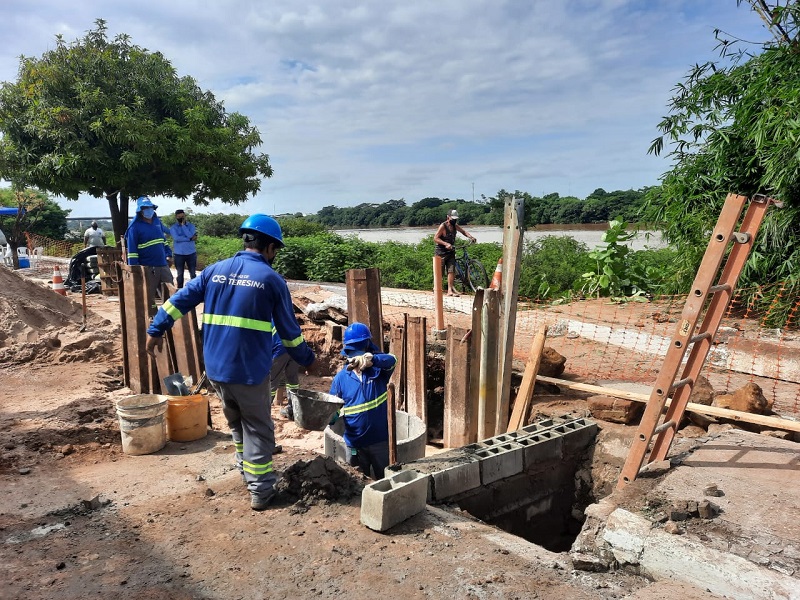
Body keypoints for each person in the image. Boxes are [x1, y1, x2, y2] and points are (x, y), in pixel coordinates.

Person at [146, 214, 315, 511]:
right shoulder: (272, 280)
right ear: (271, 247)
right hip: (249, 371)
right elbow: (289, 334)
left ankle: (245, 472)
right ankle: (261, 490)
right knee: (259, 428)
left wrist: (156, 328)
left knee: (236, 424)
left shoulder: (215, 271)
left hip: (217, 370)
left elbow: (178, 301)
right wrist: (307, 358)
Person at [329, 322, 396, 479]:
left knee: (385, 482)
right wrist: (327, 418)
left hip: (380, 442)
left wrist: (373, 359)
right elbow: (331, 409)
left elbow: (392, 360)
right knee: (357, 483)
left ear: (366, 346)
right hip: (355, 445)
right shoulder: (341, 379)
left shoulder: (378, 372)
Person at [125, 196, 173, 312]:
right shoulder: (134, 227)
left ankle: (170, 319)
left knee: (170, 293)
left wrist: (169, 254)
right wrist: (135, 269)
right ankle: (152, 318)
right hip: (147, 268)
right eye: (146, 208)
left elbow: (163, 240)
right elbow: (132, 252)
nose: (149, 210)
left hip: (162, 265)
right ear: (140, 211)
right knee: (148, 295)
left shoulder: (157, 223)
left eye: (150, 208)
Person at [434, 209, 476, 296]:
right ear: (448, 217)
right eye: (452, 219)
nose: (454, 220)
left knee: (451, 271)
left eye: (455, 219)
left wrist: (471, 237)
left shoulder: (455, 226)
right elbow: (436, 238)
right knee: (440, 272)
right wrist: (445, 244)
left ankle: (450, 290)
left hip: (451, 252)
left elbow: (463, 231)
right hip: (441, 252)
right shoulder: (443, 226)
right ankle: (437, 289)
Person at [270, 330, 301, 420]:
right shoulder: (289, 318)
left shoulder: (267, 319)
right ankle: (292, 410)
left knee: (271, 380)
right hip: (295, 348)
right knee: (292, 381)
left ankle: (264, 413)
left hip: (280, 350)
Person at [168, 209, 198, 288]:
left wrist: (183, 226)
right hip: (179, 254)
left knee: (193, 274)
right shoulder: (173, 228)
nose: (181, 218)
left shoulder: (191, 226)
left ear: (185, 216)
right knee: (180, 274)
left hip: (191, 253)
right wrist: (189, 239)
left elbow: (191, 235)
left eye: (182, 216)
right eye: (179, 217)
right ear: (176, 217)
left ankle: (194, 290)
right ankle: (179, 290)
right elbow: (177, 238)